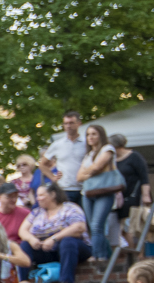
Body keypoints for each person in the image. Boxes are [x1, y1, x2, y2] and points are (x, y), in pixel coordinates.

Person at [18, 182, 90, 283]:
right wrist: (31, 239)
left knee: (68, 241)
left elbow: (79, 227)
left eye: (41, 195)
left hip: (73, 248)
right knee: (25, 245)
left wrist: (54, 239)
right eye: (37, 195)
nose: (38, 198)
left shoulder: (70, 208)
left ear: (53, 195)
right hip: (46, 250)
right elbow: (22, 231)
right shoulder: (36, 212)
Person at [77, 123, 120, 260]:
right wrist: (92, 171)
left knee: (97, 226)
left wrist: (88, 171)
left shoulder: (108, 149)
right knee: (93, 227)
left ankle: (98, 256)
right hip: (88, 193)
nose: (90, 137)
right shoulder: (88, 155)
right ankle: (106, 255)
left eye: (93, 134)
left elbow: (97, 166)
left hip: (104, 192)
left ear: (100, 135)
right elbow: (79, 177)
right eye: (88, 134)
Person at [41, 110, 87, 206]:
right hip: (65, 188)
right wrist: (53, 177)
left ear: (79, 124)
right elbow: (42, 164)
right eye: (66, 123)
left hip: (84, 188)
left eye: (71, 123)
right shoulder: (58, 144)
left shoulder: (86, 143)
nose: (68, 126)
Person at [114, 134, 151, 249]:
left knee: (133, 227)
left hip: (134, 196)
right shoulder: (111, 159)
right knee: (121, 228)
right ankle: (131, 252)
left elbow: (144, 177)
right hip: (119, 198)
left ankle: (138, 253)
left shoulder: (134, 156)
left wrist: (146, 195)